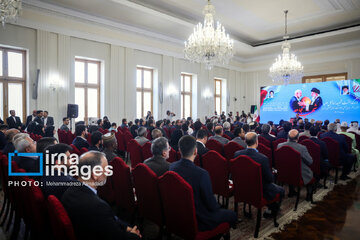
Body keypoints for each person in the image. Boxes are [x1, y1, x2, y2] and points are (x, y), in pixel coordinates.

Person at [61, 151, 142, 240]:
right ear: (95, 174)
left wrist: (126, 228)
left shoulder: (69, 191)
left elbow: (110, 220)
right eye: (106, 169)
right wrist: (134, 235)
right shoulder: (97, 206)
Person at [169, 135, 237, 231]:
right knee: (232, 215)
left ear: (179, 150)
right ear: (195, 151)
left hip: (180, 214)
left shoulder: (172, 167)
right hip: (200, 220)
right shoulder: (202, 174)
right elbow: (211, 205)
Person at [234, 132, 284, 216]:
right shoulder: (262, 158)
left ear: (245, 142)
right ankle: (273, 210)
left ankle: (272, 207)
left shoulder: (237, 154)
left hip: (242, 186)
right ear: (257, 142)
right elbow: (269, 179)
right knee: (281, 190)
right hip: (260, 189)